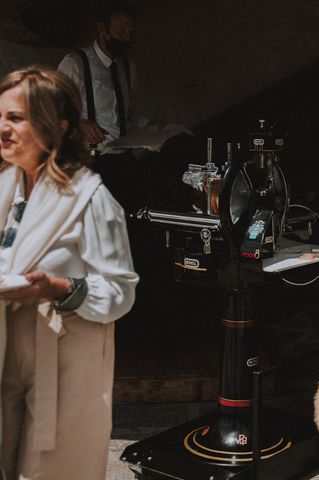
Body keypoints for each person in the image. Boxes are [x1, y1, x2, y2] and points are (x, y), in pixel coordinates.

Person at [0, 67, 138, 479]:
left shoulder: (92, 200)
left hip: (61, 362)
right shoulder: (7, 187)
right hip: (8, 353)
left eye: (16, 118)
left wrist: (60, 287)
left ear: (57, 125)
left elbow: (120, 291)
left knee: (53, 470)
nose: (2, 128)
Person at [57, 1, 149, 211]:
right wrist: (78, 124)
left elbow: (127, 112)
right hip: (89, 163)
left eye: (130, 32)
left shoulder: (129, 67)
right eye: (121, 31)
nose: (127, 38)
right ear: (102, 30)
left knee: (132, 223)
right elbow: (50, 112)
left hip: (125, 162)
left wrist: (150, 124)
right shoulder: (74, 64)